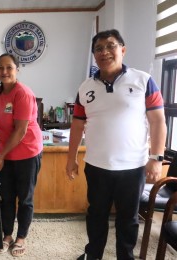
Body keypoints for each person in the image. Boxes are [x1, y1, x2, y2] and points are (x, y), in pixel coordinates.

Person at [66, 29, 167, 260]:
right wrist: (70, 158)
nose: (105, 52)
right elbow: (77, 126)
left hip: (132, 168)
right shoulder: (85, 88)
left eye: (110, 46)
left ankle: (125, 256)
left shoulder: (144, 80)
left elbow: (158, 121)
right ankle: (93, 255)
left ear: (122, 49)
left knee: (128, 219)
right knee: (96, 216)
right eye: (99, 48)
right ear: (94, 55)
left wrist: (156, 158)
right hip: (97, 166)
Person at [0, 53, 43, 257]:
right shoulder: (0, 94)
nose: (4, 72)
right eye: (0, 68)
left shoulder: (23, 93)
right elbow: (0, 126)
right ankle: (7, 235)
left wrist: (1, 155)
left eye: (9, 67)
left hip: (27, 153)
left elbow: (20, 131)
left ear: (17, 70)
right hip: (7, 154)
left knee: (25, 198)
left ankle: (21, 237)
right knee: (6, 197)